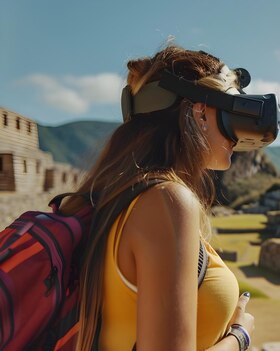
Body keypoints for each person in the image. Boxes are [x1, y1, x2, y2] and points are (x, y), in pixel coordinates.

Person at [60, 45, 257, 351]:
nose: (238, 131)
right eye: (230, 111)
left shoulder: (117, 196)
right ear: (200, 112)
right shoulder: (167, 200)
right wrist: (240, 336)